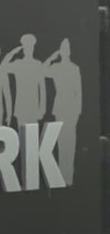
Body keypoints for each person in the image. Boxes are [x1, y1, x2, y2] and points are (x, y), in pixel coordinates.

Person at [45, 38, 82, 185]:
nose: (65, 52)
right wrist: (51, 58)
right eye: (63, 49)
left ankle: (69, 177)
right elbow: (42, 70)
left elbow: (78, 92)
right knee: (61, 142)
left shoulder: (74, 68)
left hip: (71, 109)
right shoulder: (56, 67)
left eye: (67, 49)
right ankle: (61, 176)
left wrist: (78, 111)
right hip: (60, 107)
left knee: (70, 142)